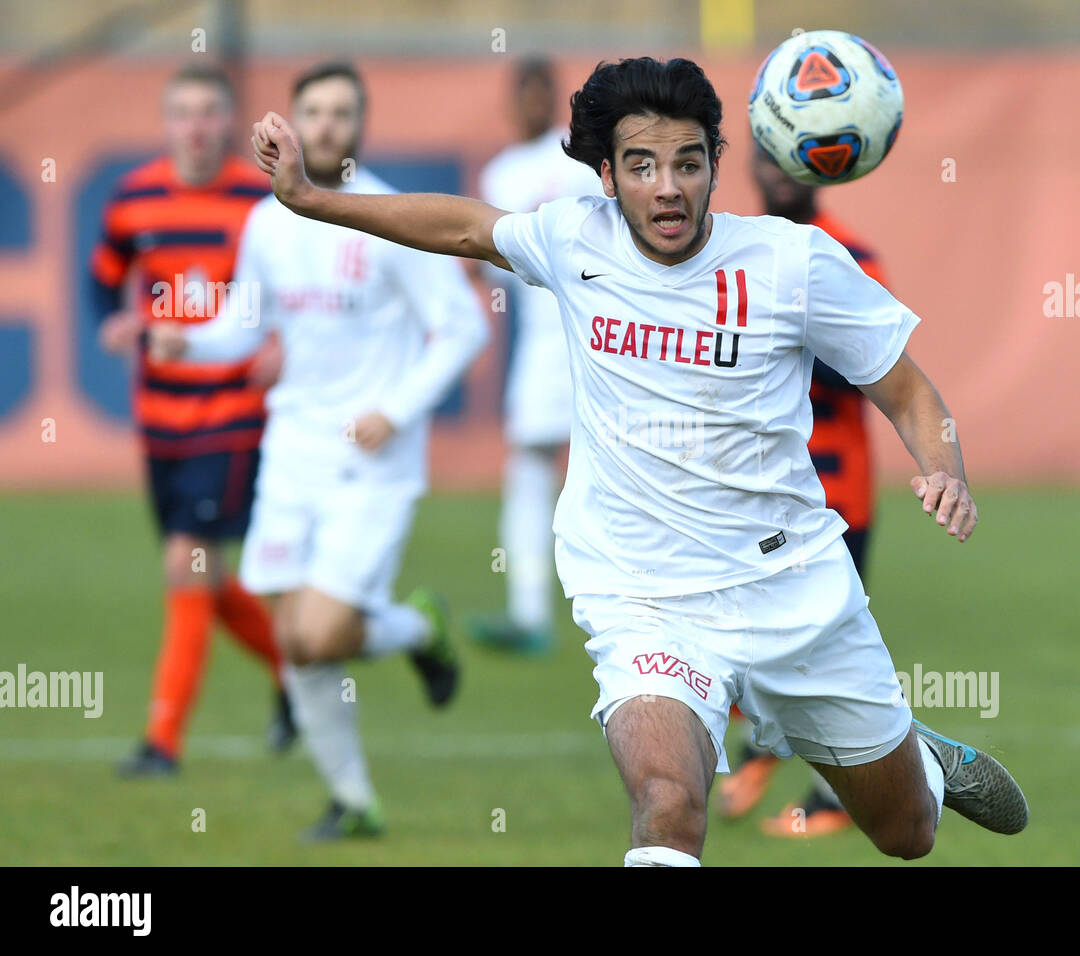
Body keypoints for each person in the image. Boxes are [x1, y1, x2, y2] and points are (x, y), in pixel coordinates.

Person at [243, 56, 1028, 865]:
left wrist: (945, 470)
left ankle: (916, 759)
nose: (667, 188)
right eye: (642, 166)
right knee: (667, 802)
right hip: (640, 592)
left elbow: (908, 392)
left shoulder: (794, 265)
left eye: (688, 163)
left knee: (906, 835)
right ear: (607, 176)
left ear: (717, 165)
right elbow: (465, 226)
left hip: (792, 586)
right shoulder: (575, 239)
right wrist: (310, 198)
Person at [151, 62, 489, 841]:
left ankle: (416, 627)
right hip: (292, 452)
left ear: (361, 125)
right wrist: (187, 343)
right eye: (315, 111)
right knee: (295, 643)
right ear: (291, 125)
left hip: (371, 463)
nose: (329, 125)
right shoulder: (269, 223)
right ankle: (354, 801)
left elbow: (465, 326)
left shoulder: (389, 219)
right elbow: (244, 325)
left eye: (343, 112)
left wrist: (395, 410)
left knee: (324, 633)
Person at [92, 64, 292, 777]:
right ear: (167, 121)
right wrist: (117, 321)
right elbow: (103, 272)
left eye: (210, 111)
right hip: (159, 416)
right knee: (199, 574)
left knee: (188, 561)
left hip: (231, 411)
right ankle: (295, 671)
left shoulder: (260, 202)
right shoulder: (133, 197)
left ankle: (161, 743)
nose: (197, 125)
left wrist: (280, 345)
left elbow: (292, 292)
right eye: (184, 112)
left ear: (228, 122)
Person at [718, 146, 893, 836]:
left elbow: (868, 368)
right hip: (753, 493)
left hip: (836, 489)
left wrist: (788, 329)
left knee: (828, 648)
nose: (779, 172)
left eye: (793, 160)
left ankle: (828, 800)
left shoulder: (853, 256)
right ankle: (760, 749)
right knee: (750, 635)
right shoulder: (733, 255)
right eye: (768, 158)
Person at [469, 56, 602, 655]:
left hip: (600, 335)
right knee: (527, 466)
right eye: (522, 91)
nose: (532, 101)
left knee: (610, 468)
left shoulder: (576, 161)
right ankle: (528, 613)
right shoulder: (500, 175)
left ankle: (619, 604)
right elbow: (481, 259)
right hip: (538, 346)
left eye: (541, 91)